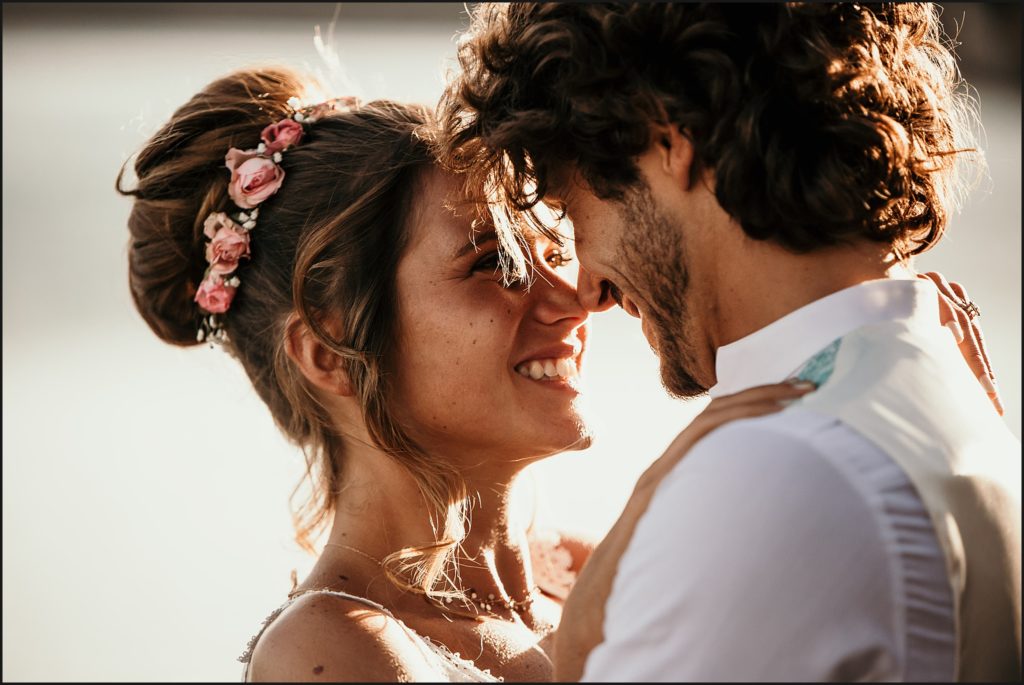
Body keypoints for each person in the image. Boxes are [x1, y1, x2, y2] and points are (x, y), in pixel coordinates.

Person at [116, 66, 818, 682]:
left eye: (554, 249)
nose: (577, 295)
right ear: (329, 350)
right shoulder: (326, 649)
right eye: (497, 264)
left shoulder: (584, 568)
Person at [439, 2, 1021, 681]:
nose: (588, 285)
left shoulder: (776, 470)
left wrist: (583, 636)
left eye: (575, 209)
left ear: (665, 139)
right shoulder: (938, 385)